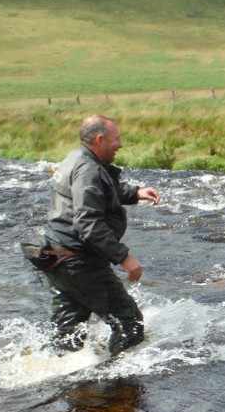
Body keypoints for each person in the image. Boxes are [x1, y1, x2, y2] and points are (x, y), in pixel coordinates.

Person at [40, 114, 161, 355]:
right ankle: (118, 386)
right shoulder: (88, 169)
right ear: (99, 139)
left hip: (56, 256)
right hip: (78, 261)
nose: (121, 144)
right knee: (130, 323)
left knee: (68, 334)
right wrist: (124, 258)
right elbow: (88, 222)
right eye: (117, 138)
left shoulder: (75, 158)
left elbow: (99, 192)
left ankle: (54, 377)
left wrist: (135, 193)